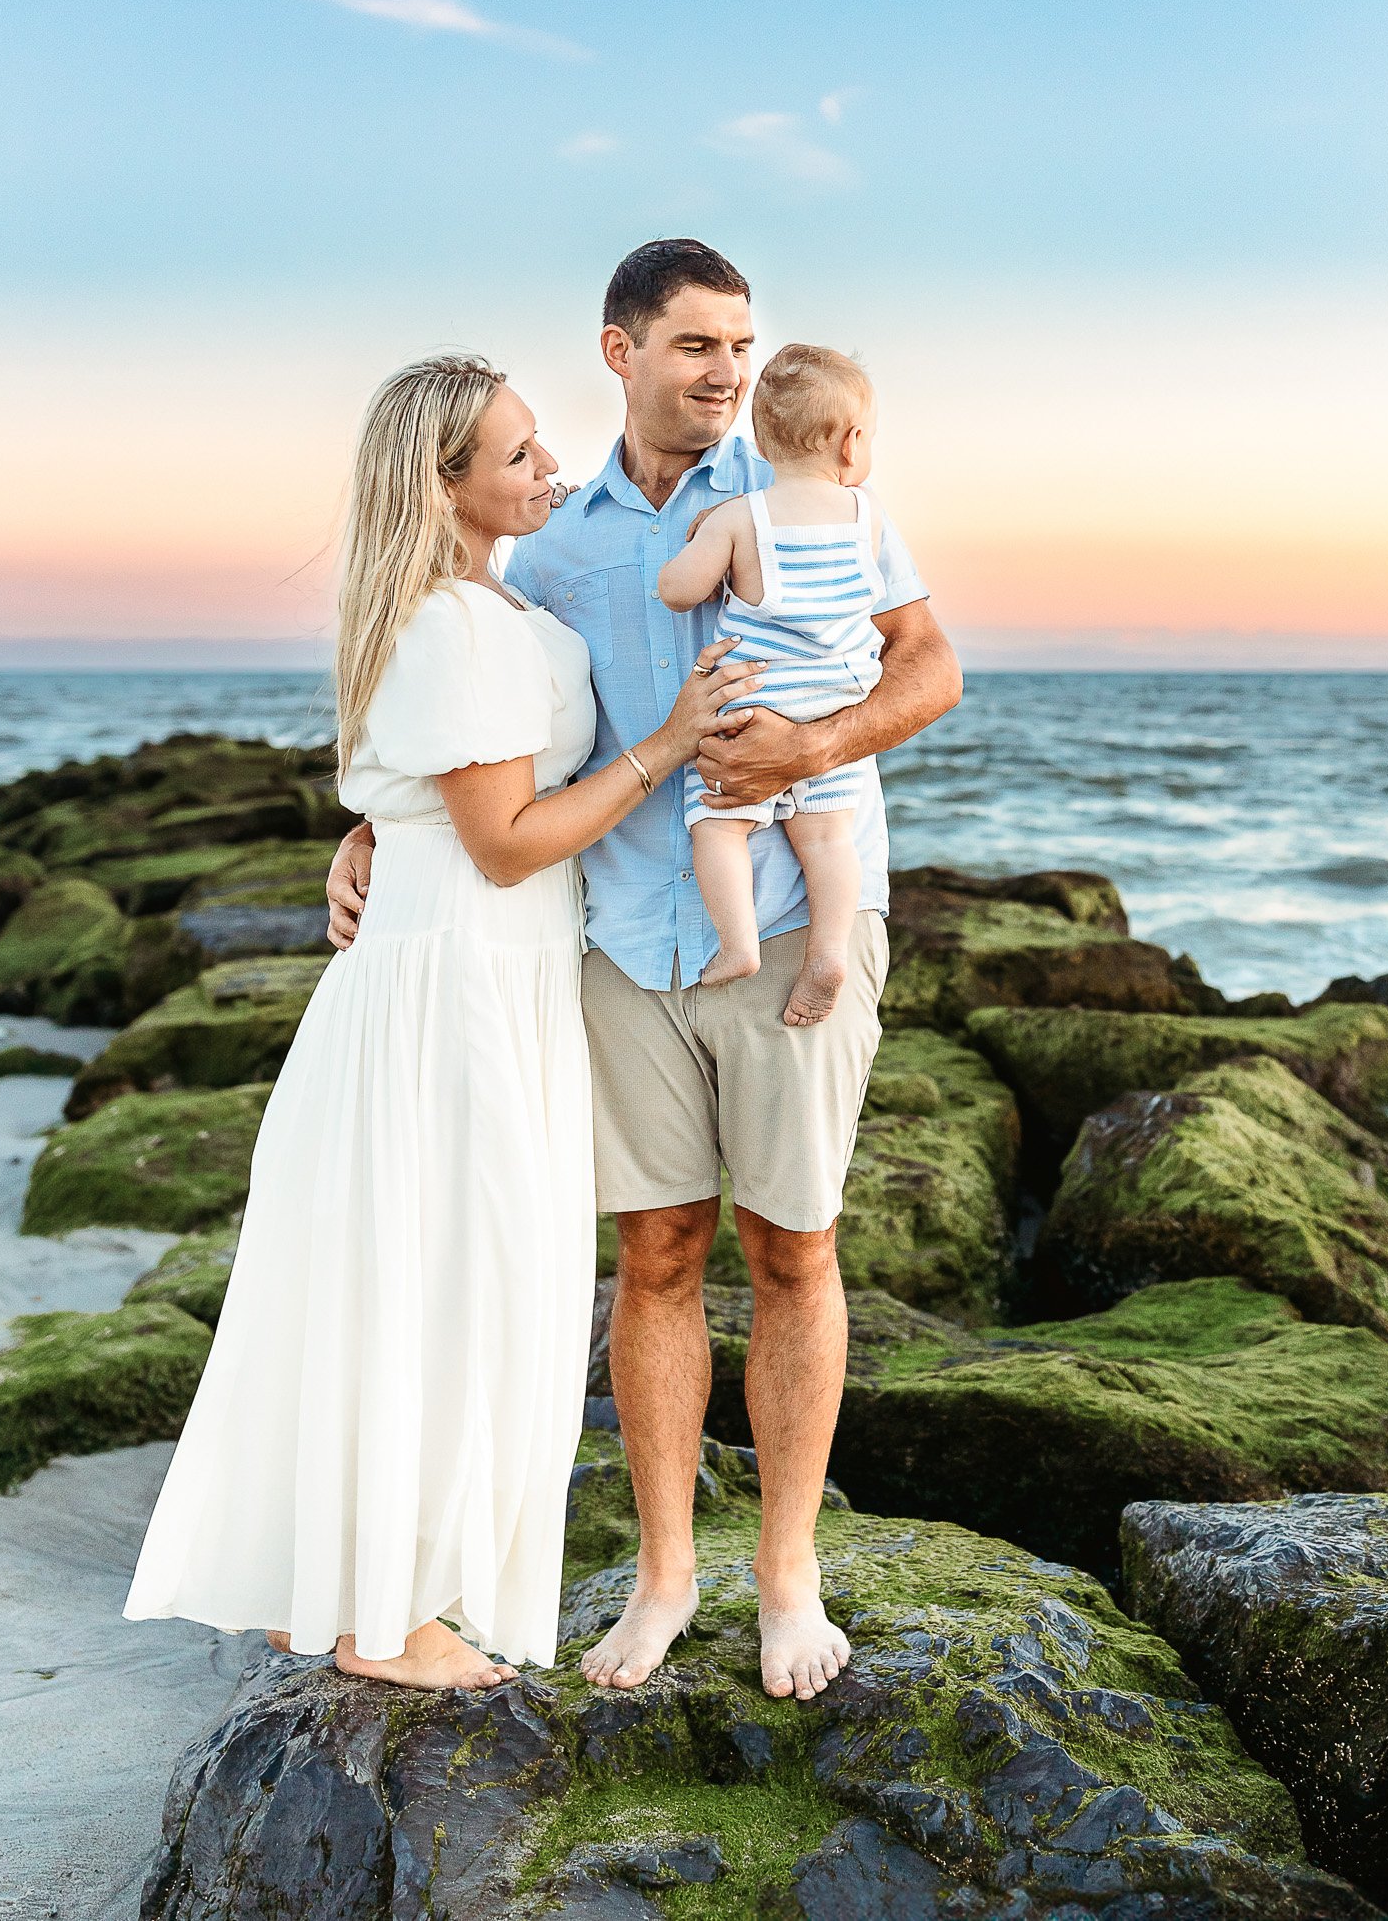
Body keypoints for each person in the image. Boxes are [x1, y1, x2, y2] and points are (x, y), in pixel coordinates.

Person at [327, 241, 961, 1703]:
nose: (727, 369)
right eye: (694, 344)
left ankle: (787, 1580)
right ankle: (666, 1580)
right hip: (616, 945)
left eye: (741, 342)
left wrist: (813, 746)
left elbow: (926, 668)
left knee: (793, 1248)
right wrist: (373, 828)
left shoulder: (817, 497)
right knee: (655, 1256)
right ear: (620, 353)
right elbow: (487, 714)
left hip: (790, 931)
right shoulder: (546, 546)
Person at [123, 352, 755, 1689]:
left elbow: (428, 792)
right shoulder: (453, 623)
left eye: (541, 447)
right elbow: (509, 843)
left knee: (462, 1280)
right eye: (519, 456)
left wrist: (364, 830)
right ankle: (384, 1619)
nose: (552, 469)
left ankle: (384, 1595)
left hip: (488, 977)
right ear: (445, 482)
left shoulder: (483, 607)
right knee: (443, 1284)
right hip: (455, 990)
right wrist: (669, 744)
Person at [657, 342, 888, 1029]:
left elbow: (677, 592)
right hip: (832, 711)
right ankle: (827, 951)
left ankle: (738, 946)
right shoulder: (864, 517)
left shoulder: (742, 516)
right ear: (850, 444)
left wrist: (700, 542)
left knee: (717, 827)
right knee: (826, 842)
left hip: (755, 704)